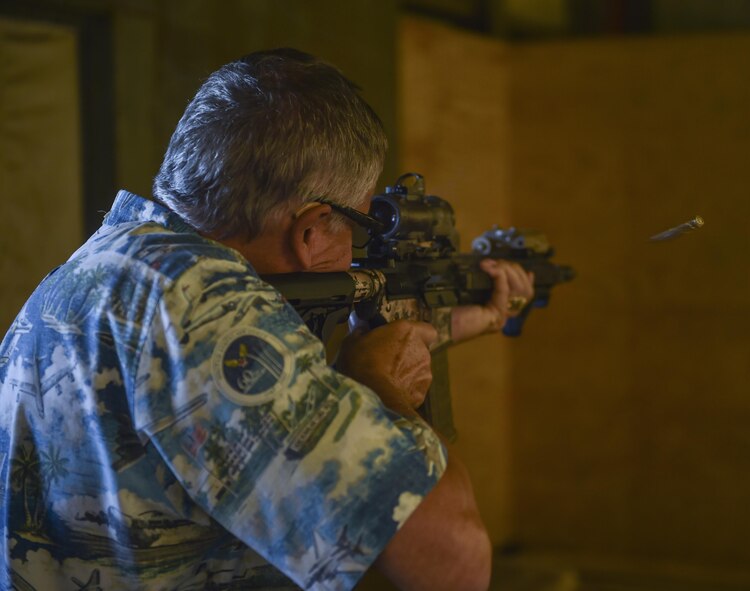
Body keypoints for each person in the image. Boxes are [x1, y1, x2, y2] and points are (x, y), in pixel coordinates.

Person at [0, 48, 533, 590]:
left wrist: (460, 321)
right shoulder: (210, 306)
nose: (356, 256)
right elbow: (453, 557)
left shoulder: (90, 271)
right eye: (357, 230)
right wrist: (379, 390)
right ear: (312, 229)